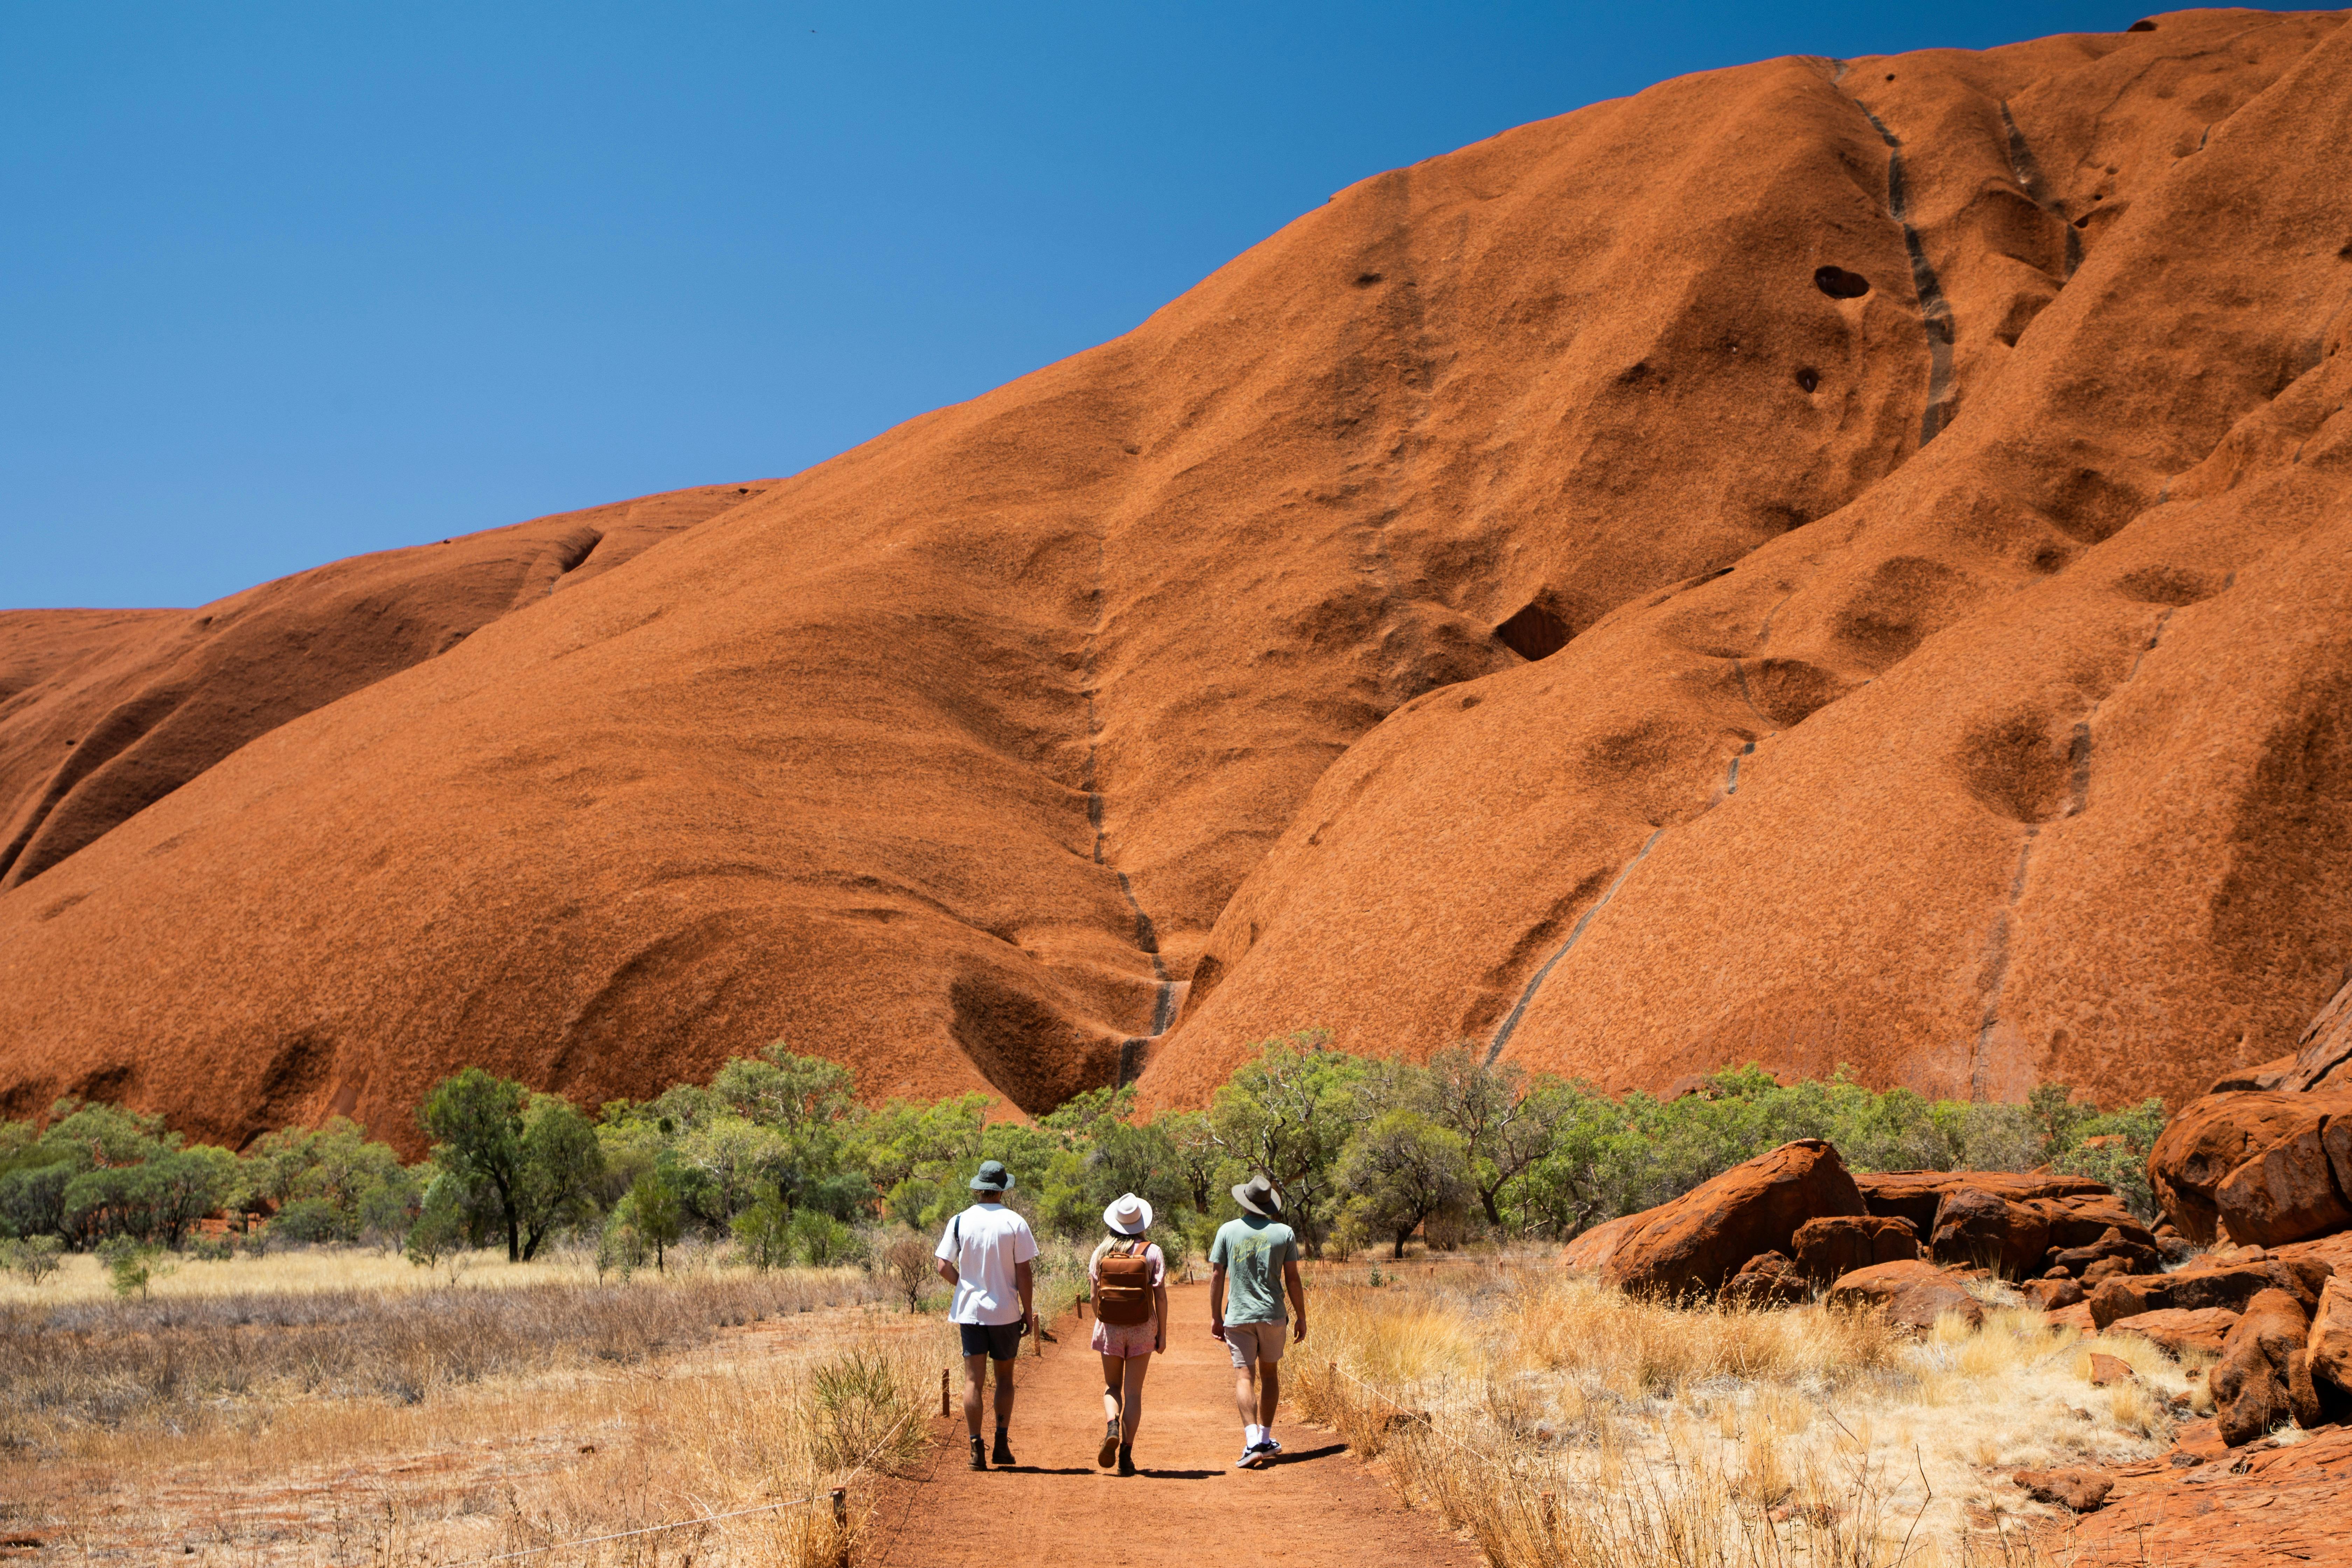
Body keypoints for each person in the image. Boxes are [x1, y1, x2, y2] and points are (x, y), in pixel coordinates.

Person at [933, 1160, 1038, 1470]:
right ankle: (1002, 1445)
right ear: (1004, 1189)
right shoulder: (1015, 1222)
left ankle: (976, 1447)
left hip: (971, 1314)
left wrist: (964, 1286)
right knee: (1005, 1378)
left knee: (972, 1381)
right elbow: (1025, 1273)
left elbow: (942, 1265)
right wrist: (1028, 1312)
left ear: (979, 1188)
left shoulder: (959, 1221)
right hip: (1005, 1312)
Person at [1209, 1170, 1307, 1470]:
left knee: (1244, 1377)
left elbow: (1217, 1276)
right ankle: (1265, 1438)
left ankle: (1253, 1442)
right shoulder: (1284, 1233)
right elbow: (1292, 1279)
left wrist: (1216, 1317)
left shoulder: (1227, 1230)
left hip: (1238, 1317)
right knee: (1271, 1375)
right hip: (1273, 1315)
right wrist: (1302, 1316)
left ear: (1246, 1201)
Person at [1087, 1192, 1169, 1477]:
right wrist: (1162, 1333)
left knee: (1112, 1387)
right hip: (1143, 1328)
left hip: (1110, 1328)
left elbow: (1094, 1297)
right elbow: (1160, 1296)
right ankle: (1126, 1456)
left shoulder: (1101, 1252)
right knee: (1134, 1392)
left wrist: (1105, 1320)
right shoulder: (1152, 1252)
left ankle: (1112, 1425)